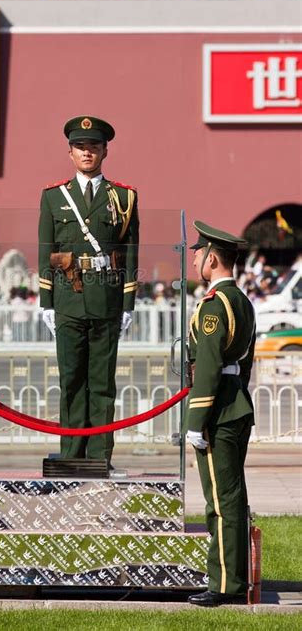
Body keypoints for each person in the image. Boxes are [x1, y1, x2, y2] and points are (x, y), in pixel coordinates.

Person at [38, 115, 139, 463]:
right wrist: (46, 302)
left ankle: (98, 454)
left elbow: (130, 253)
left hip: (106, 299)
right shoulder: (53, 197)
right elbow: (45, 250)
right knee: (71, 381)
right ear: (70, 153)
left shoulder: (124, 197)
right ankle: (71, 452)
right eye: (80, 147)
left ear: (105, 151)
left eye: (93, 147)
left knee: (102, 383)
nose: (87, 153)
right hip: (68, 298)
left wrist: (128, 303)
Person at [185, 221, 256, 607]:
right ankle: (235, 577)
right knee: (233, 497)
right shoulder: (242, 301)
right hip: (236, 403)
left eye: (198, 253)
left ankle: (225, 584)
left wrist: (196, 421)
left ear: (212, 258)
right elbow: (245, 363)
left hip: (218, 412)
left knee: (222, 501)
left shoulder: (215, 305)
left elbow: (209, 366)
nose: (194, 258)